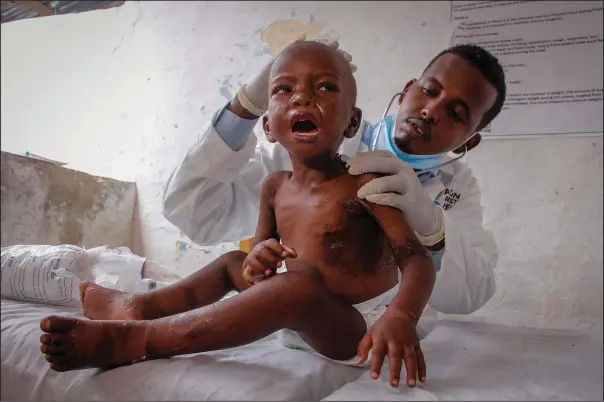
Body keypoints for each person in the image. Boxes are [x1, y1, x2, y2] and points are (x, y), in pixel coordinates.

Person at [39, 41, 436, 389]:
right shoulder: (274, 186)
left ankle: (142, 339)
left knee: (294, 289)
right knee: (230, 262)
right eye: (284, 89)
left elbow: (415, 258)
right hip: (295, 318)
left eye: (325, 87)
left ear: (352, 121)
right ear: (267, 126)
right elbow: (254, 265)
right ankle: (142, 306)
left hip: (355, 329)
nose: (301, 99)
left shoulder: (365, 183)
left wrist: (401, 314)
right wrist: (257, 260)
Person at [162, 39, 507, 335]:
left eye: (457, 113)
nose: (431, 110)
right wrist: (246, 106)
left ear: (469, 140)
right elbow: (193, 210)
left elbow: (471, 293)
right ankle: (143, 321)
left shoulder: (457, 187)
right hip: (293, 327)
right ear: (407, 90)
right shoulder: (310, 146)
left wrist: (431, 225)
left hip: (380, 337)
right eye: (429, 91)